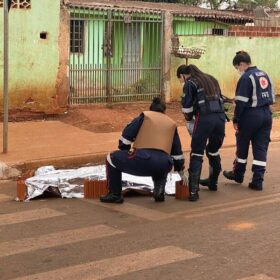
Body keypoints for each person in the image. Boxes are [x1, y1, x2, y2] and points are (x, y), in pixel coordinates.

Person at [100, 97, 187, 204]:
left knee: (111, 158)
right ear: (164, 111)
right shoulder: (171, 124)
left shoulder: (145, 116)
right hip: (165, 164)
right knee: (160, 161)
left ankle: (115, 194)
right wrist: (180, 170)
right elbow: (177, 152)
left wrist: (124, 150)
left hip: (144, 160)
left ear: (150, 109)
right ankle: (159, 191)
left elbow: (126, 137)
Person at [223, 51, 275, 191]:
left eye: (237, 68)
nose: (238, 71)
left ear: (241, 64)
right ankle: (257, 181)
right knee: (260, 147)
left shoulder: (246, 77)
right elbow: (271, 97)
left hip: (251, 116)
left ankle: (238, 174)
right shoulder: (265, 74)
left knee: (242, 145)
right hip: (267, 115)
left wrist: (236, 118)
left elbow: (241, 102)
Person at [176, 64, 226, 201]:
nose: (181, 81)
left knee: (197, 152)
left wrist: (189, 120)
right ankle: (213, 183)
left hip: (204, 119)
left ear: (182, 75)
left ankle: (193, 192)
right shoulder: (212, 79)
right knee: (213, 150)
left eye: (180, 79)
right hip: (220, 119)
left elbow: (187, 108)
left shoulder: (190, 83)